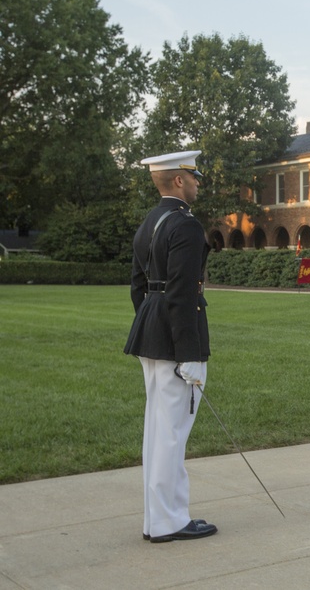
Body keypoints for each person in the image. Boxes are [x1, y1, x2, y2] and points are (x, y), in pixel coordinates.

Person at [124, 150, 218, 543]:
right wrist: (189, 354)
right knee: (170, 433)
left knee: (159, 429)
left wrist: (152, 324)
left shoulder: (150, 221)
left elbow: (137, 286)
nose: (198, 182)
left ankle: (158, 519)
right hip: (173, 336)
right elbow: (182, 293)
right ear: (178, 180)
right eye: (194, 176)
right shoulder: (186, 226)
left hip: (151, 328)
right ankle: (169, 521)